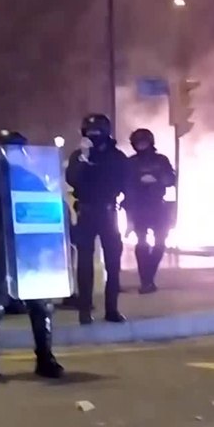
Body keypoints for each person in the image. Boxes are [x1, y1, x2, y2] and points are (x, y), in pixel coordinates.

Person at [0, 130, 64, 381]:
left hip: (27, 251)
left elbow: (51, 210)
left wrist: (54, 240)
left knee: (41, 305)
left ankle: (45, 358)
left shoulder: (29, 179)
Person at [65, 113, 128, 324]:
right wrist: (84, 159)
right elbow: (72, 179)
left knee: (113, 261)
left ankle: (112, 309)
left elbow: (124, 181)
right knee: (84, 264)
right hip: (86, 212)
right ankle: (84, 310)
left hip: (108, 212)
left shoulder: (116, 156)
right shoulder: (79, 155)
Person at [125, 128, 176, 293]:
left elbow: (171, 178)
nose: (141, 146)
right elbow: (126, 184)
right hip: (139, 206)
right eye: (138, 143)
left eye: (144, 142)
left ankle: (149, 275)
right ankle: (145, 280)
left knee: (160, 242)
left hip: (157, 205)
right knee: (141, 242)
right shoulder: (131, 163)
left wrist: (157, 180)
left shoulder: (161, 160)